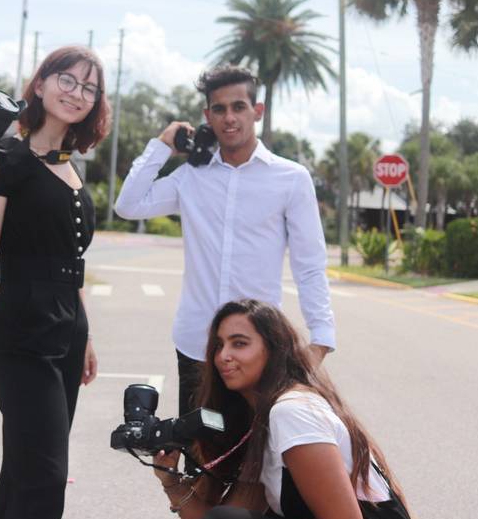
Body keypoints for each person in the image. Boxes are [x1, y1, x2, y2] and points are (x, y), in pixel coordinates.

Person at [0, 45, 111, 519]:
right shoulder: (8, 160)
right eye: (68, 79)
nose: (76, 93)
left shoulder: (70, 167)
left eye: (89, 87)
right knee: (44, 478)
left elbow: (71, 263)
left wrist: (83, 335)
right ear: (39, 85)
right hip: (21, 334)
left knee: (23, 472)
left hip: (65, 331)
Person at [114, 64, 336, 418]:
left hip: (260, 351)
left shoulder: (290, 179)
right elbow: (128, 205)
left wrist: (320, 340)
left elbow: (309, 265)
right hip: (196, 347)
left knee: (257, 466)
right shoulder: (191, 177)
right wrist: (163, 144)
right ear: (207, 116)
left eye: (239, 107)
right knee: (198, 465)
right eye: (219, 109)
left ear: (257, 112)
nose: (229, 118)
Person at [153, 299, 419, 519]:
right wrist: (170, 481)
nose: (223, 355)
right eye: (219, 345)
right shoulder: (261, 422)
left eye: (239, 343)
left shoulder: (292, 411)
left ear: (274, 350)